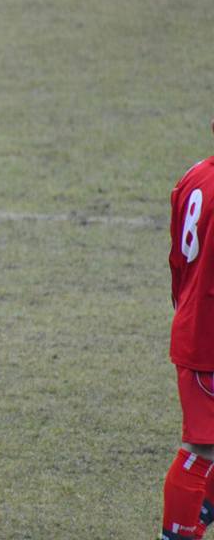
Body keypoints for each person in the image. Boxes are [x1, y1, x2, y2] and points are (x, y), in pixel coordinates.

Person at [161, 121, 214, 540]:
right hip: (208, 343)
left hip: (193, 322)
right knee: (201, 447)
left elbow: (177, 258)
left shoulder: (195, 175)